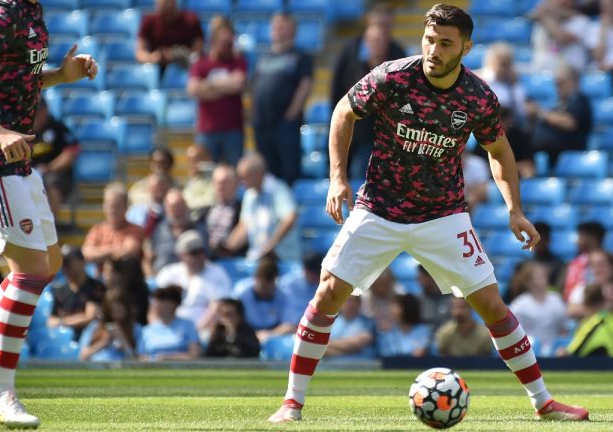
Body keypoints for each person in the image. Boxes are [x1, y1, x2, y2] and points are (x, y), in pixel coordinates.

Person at [269, 5, 588, 423]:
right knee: (328, 292)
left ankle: (543, 402)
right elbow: (343, 113)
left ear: (466, 48)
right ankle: (291, 402)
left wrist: (515, 210)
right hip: (380, 206)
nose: (434, 49)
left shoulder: (477, 96)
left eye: (445, 43)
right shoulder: (392, 76)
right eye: (429, 39)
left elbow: (500, 152)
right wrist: (336, 178)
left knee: (491, 303)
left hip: (443, 214)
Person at [0, 0, 98, 426]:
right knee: (27, 272)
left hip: (19, 159)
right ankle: (0, 394)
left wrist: (62, 75)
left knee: (49, 264)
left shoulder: (30, 13)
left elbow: (11, 78)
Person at [331, 6, 406, 179]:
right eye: (378, 25)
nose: (382, 31)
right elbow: (337, 89)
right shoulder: (350, 50)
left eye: (386, 26)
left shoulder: (397, 52)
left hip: (380, 133)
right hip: (350, 126)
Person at [252, 12, 313, 186]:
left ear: (293, 29)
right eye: (275, 25)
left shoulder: (301, 56)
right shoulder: (263, 57)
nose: (277, 29)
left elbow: (305, 85)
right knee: (268, 175)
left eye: (282, 25)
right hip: (262, 125)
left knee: (289, 172)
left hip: (285, 124)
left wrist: (291, 114)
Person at [187, 20, 247, 166]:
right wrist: (226, 85)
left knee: (234, 174)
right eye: (224, 43)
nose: (228, 47)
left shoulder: (238, 61)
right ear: (213, 41)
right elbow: (193, 90)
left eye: (230, 43)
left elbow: (238, 84)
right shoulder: (201, 63)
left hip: (233, 129)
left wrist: (208, 86)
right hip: (207, 130)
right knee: (206, 173)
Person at [226, 153, 301, 263]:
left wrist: (271, 245)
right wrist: (227, 248)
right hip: (258, 259)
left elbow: (290, 218)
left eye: (243, 177)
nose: (240, 182)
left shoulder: (278, 189)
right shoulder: (249, 194)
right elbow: (244, 226)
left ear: (257, 175)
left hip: (283, 259)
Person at [155, 230, 232, 334]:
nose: (199, 256)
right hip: (168, 329)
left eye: (201, 251)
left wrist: (194, 333)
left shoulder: (216, 273)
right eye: (193, 253)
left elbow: (216, 309)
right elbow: (155, 307)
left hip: (203, 330)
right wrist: (158, 329)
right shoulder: (168, 273)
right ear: (181, 255)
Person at [526, 64, 593, 168]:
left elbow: (570, 123)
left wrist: (540, 113)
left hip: (570, 156)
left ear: (574, 82)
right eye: (556, 83)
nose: (557, 86)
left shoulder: (580, 101)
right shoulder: (557, 103)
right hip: (549, 154)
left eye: (560, 82)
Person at [30, 97, 79, 223]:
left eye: (38, 112)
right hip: (29, 174)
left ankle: (50, 224)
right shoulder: (24, 130)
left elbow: (70, 153)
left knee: (51, 182)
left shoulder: (58, 128)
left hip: (56, 175)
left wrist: (48, 168)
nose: (35, 116)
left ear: (45, 110)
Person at [81, 183, 145, 269]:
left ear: (126, 207)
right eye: (109, 205)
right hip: (100, 279)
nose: (112, 210)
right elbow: (86, 254)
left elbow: (129, 252)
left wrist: (99, 252)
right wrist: (112, 250)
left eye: (117, 206)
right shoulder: (97, 230)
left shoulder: (136, 230)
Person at [234, 254, 295, 343]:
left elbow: (289, 325)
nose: (265, 291)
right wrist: (252, 335)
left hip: (273, 336)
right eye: (262, 287)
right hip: (245, 334)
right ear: (255, 278)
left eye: (269, 286)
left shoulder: (284, 295)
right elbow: (231, 319)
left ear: (275, 281)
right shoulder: (241, 292)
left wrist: (269, 334)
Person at [47, 246, 105, 339]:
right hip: (64, 339)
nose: (64, 267)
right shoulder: (59, 289)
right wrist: (71, 321)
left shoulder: (96, 287)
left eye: (68, 263)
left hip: (88, 338)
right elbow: (51, 321)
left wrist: (61, 322)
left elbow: (90, 317)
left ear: (82, 262)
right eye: (62, 263)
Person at [509, 262, 568, 352]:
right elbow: (515, 334)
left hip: (555, 351)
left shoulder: (556, 299)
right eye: (538, 277)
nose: (543, 279)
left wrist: (561, 347)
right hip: (529, 351)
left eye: (544, 276)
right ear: (528, 282)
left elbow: (564, 329)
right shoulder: (519, 305)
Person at [149, 187, 208, 274]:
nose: (177, 211)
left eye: (180, 206)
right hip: (163, 280)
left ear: (186, 206)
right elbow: (149, 257)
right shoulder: (159, 230)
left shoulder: (200, 230)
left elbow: (207, 257)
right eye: (173, 207)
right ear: (166, 210)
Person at [136, 0, 203, 74]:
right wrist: (153, 58)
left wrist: (178, 55)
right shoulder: (149, 22)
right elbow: (140, 53)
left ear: (174, 5)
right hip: (158, 69)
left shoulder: (191, 20)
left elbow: (197, 52)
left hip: (186, 68)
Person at [137, 285, 200, 361]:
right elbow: (141, 357)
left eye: (161, 300)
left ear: (173, 304)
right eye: (155, 300)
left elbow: (194, 355)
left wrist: (168, 358)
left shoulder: (188, 325)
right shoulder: (146, 330)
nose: (156, 304)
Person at [529, 0, 591, 73]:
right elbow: (531, 15)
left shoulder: (581, 21)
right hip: (545, 71)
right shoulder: (546, 22)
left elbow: (562, 38)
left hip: (572, 73)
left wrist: (545, 17)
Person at [78, 292, 141, 362]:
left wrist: (122, 339)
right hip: (97, 364)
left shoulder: (135, 328)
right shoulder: (95, 326)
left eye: (119, 311)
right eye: (112, 311)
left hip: (121, 366)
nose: (116, 315)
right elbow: (83, 356)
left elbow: (137, 358)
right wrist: (104, 342)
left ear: (126, 309)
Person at [477, 42, 527, 124]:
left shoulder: (514, 85)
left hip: (508, 125)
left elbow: (520, 112)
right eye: (500, 63)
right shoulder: (477, 80)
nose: (502, 68)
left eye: (506, 64)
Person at [563, 222, 605, 305]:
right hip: (575, 309)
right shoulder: (574, 264)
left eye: (581, 236)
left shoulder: (612, 263)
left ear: (593, 238)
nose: (577, 241)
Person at [206, 164, 242, 258]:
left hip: (233, 258)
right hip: (208, 258)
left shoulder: (243, 209)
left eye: (224, 182)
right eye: (217, 182)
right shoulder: (205, 210)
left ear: (236, 183)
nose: (220, 186)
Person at [325, 295, 375, 360]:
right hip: (333, 367)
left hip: (361, 366)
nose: (352, 304)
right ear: (339, 304)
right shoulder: (329, 323)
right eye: (348, 300)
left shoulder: (368, 322)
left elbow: (359, 343)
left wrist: (329, 344)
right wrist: (350, 348)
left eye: (356, 301)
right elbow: (321, 348)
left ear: (360, 303)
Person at [125, 173, 171, 237]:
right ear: (147, 188)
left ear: (167, 187)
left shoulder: (174, 208)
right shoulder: (136, 209)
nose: (158, 190)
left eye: (161, 186)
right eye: (154, 187)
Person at [181, 145, 215, 218]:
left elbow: (210, 201)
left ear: (207, 160)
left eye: (195, 160)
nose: (191, 164)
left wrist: (185, 204)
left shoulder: (215, 179)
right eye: (189, 161)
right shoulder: (192, 180)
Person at [415, 265, 450, 330]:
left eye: (421, 277)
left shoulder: (452, 299)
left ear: (431, 277)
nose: (418, 281)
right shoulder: (417, 301)